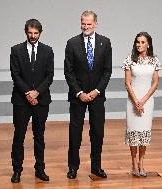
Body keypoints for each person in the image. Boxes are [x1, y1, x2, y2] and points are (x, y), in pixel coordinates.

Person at [64, 10, 112, 179]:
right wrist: (79, 92)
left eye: (89, 24)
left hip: (97, 96)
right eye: (83, 23)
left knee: (97, 132)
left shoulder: (105, 43)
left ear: (95, 24)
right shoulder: (72, 43)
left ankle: (96, 167)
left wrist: (96, 91)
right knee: (75, 133)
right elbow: (68, 72)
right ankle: (73, 167)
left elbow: (107, 71)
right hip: (78, 97)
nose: (85, 26)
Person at [10, 19, 54, 183]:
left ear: (40, 33)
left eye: (36, 33)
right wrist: (28, 93)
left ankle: (40, 169)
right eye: (30, 33)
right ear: (26, 32)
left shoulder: (48, 51)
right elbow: (15, 75)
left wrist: (37, 93)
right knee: (19, 136)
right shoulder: (16, 50)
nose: (33, 36)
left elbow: (49, 75)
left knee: (39, 136)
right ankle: (17, 170)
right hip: (21, 101)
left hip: (41, 101)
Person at [122, 32, 161, 177]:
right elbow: (127, 83)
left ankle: (141, 163)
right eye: (138, 42)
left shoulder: (154, 60)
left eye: (143, 42)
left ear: (148, 44)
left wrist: (143, 100)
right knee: (133, 132)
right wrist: (136, 101)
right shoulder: (129, 59)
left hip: (148, 101)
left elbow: (155, 83)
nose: (139, 45)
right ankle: (133, 163)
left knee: (144, 132)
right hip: (132, 101)